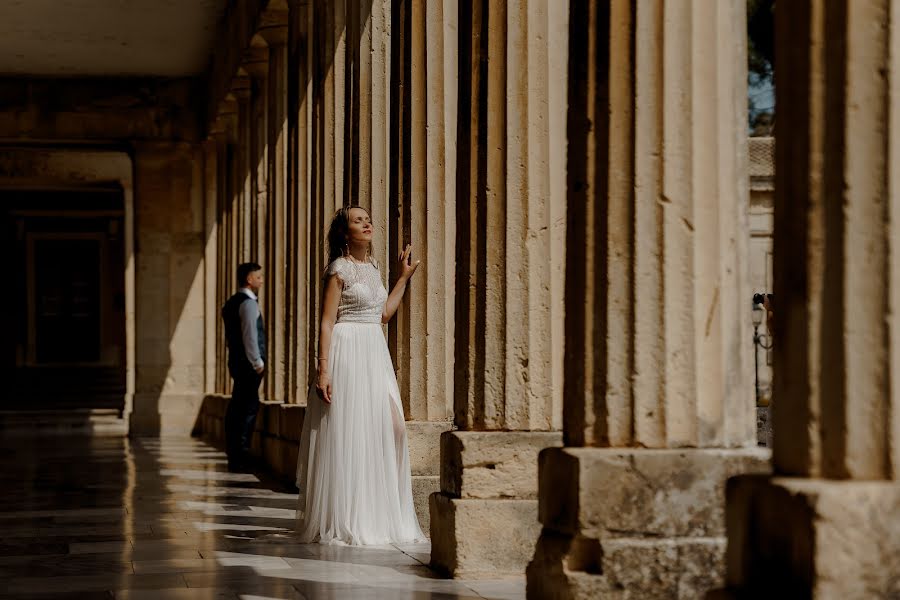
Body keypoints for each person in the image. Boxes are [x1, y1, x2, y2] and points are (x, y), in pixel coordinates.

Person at [295, 205, 425, 545]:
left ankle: (377, 512)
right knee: (349, 433)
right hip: (347, 350)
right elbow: (326, 320)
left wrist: (402, 278)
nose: (366, 223)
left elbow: (382, 314)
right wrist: (323, 368)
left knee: (394, 429)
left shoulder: (374, 267)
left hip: (374, 351)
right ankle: (350, 517)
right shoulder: (339, 268)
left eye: (368, 218)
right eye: (357, 220)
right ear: (344, 232)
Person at [221, 262, 266, 472]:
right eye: (259, 276)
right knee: (248, 407)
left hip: (236, 362)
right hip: (248, 366)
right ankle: (241, 453)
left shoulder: (231, 302)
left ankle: (234, 453)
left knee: (237, 406)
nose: (262, 280)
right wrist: (258, 363)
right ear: (249, 279)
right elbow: (250, 336)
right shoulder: (248, 304)